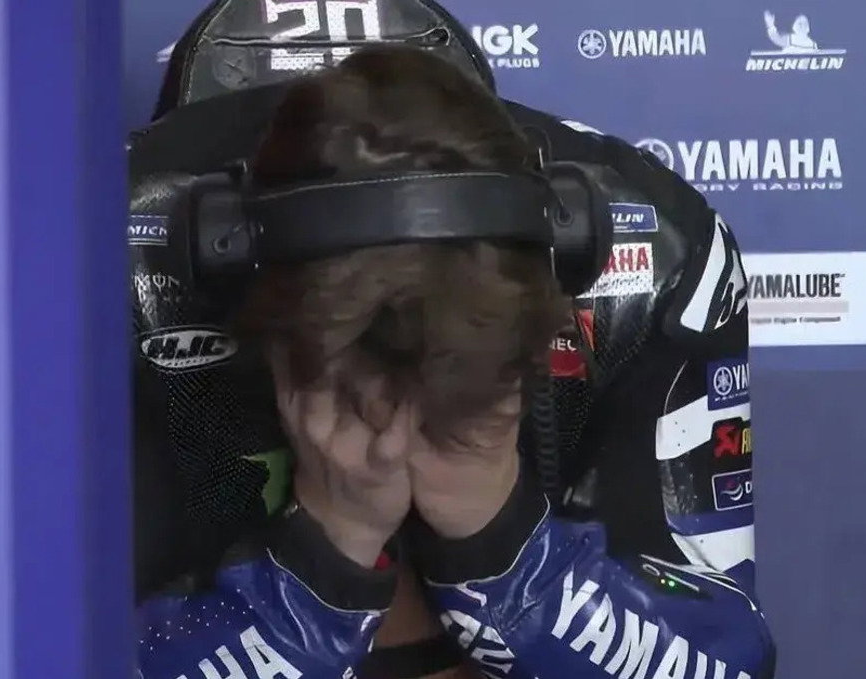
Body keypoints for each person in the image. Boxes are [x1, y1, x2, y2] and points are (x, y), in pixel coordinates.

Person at [136, 46, 772, 679]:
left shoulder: (655, 260)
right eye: (368, 385)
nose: (396, 435)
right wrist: (330, 544)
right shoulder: (109, 259)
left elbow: (728, 664)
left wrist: (498, 535)